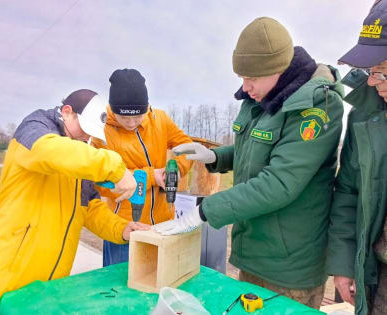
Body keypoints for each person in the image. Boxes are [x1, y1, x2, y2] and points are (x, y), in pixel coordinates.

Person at [155, 17, 344, 309]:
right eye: (242, 78)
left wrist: (205, 212)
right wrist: (216, 157)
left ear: (277, 69)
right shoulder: (262, 97)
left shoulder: (316, 107)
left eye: (251, 79)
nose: (246, 87)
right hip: (254, 251)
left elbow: (279, 183)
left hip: (289, 266)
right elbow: (255, 149)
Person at [0, 89, 149, 314]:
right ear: (67, 112)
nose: (86, 138)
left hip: (46, 289)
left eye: (91, 134)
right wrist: (115, 168)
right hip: (7, 286)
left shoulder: (79, 156)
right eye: (84, 129)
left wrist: (122, 229)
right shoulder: (35, 129)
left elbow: (91, 209)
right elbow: (52, 152)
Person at [92, 69, 193, 266]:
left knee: (160, 283)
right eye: (124, 117)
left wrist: (176, 169)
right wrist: (150, 177)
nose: (131, 123)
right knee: (119, 289)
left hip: (163, 226)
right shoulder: (100, 132)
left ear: (146, 108)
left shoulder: (160, 119)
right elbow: (100, 182)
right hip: (126, 229)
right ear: (113, 109)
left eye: (138, 116)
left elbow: (187, 147)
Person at [326, 1, 387, 314]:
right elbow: (348, 191)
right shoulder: (364, 115)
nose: (373, 82)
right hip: (378, 279)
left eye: (384, 73)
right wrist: (343, 262)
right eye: (370, 71)